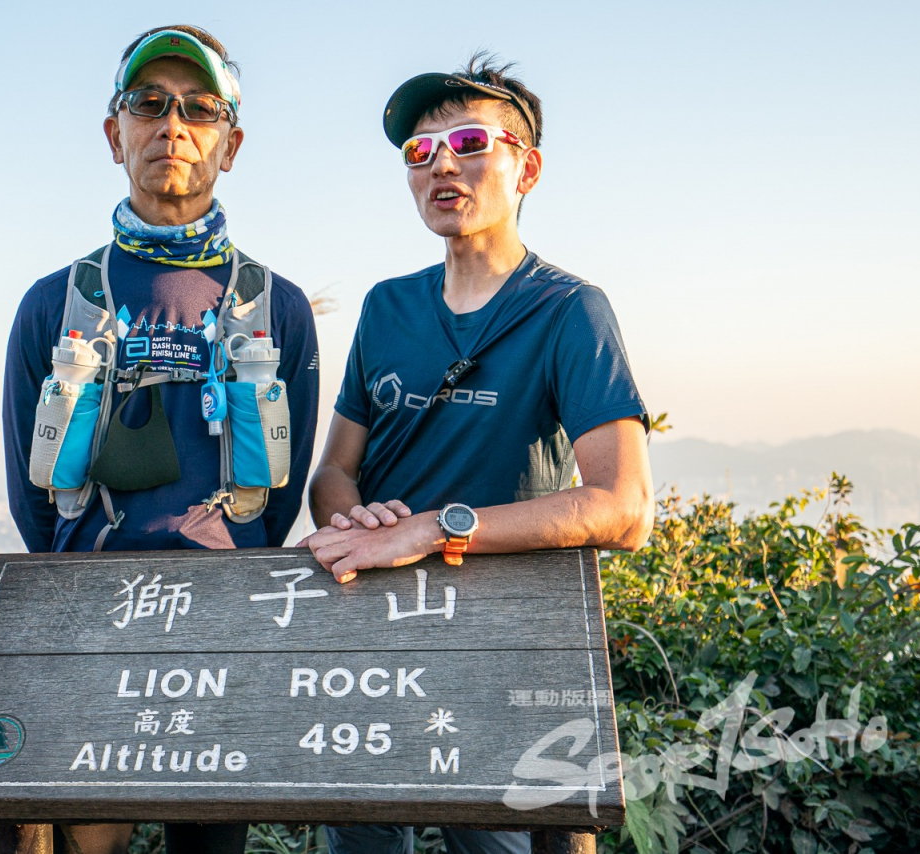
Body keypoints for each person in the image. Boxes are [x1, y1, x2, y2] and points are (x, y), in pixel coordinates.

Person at [301, 55, 654, 854]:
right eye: (420, 153)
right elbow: (334, 470)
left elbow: (624, 507)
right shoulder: (387, 306)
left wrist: (432, 528)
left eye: (468, 142)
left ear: (525, 167)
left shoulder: (570, 312)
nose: (442, 165)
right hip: (374, 640)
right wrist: (353, 519)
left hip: (506, 638)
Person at [3, 24, 319, 854]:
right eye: (148, 104)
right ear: (115, 134)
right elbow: (30, 496)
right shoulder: (56, 302)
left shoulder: (273, 306)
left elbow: (279, 500)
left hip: (225, 619)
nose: (171, 125)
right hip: (89, 616)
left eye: (199, 108)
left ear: (231, 143)